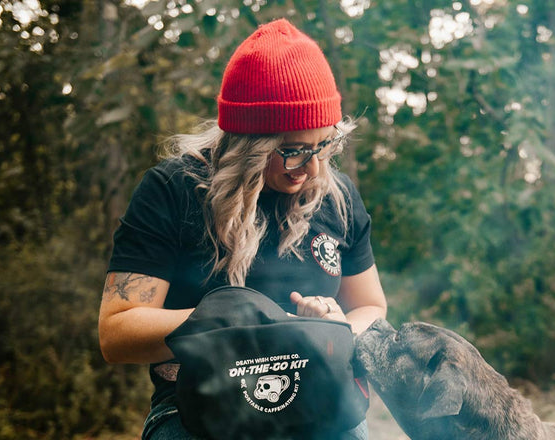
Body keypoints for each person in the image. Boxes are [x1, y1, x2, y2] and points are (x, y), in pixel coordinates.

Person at [97, 19, 387, 440]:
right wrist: (226, 321)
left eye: (324, 145)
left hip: (317, 400)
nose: (313, 169)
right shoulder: (174, 190)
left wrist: (333, 326)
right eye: (292, 152)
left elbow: (370, 307)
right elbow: (116, 333)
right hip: (200, 403)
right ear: (248, 145)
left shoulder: (335, 196)